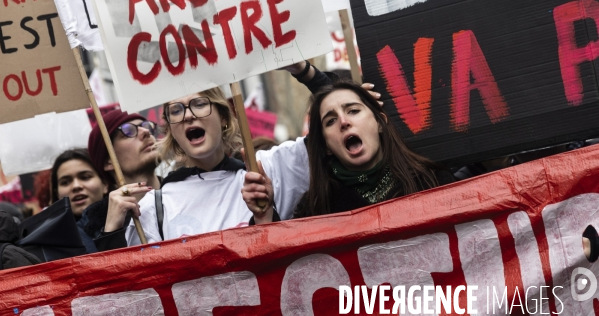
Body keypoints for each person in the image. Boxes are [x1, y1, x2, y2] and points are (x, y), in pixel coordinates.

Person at [96, 60, 347, 247]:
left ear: (224, 117)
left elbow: (343, 127)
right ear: (171, 130)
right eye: (176, 110)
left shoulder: (267, 171)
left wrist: (306, 72)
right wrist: (111, 231)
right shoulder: (154, 207)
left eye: (199, 104)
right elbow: (131, 291)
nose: (189, 115)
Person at [243, 81, 455, 223]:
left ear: (380, 122)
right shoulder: (314, 211)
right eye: (331, 121)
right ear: (325, 145)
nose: (344, 122)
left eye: (353, 111)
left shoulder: (433, 182)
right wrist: (265, 216)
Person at [86, 110, 157, 247]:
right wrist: (111, 233)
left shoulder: (184, 192)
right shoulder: (90, 230)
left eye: (147, 126)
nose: (146, 132)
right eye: (128, 131)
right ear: (108, 161)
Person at [50, 149, 117, 252]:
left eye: (85, 177)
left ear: (105, 184)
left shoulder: (131, 221)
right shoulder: (50, 244)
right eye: (65, 182)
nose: (76, 186)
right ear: (57, 193)